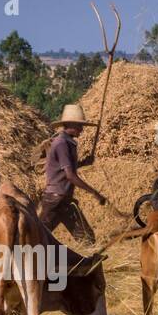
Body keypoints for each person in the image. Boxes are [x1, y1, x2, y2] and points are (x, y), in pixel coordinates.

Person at [39, 103, 107, 245]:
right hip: (55, 200)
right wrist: (94, 193)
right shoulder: (61, 143)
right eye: (78, 126)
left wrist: (83, 163)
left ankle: (83, 266)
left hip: (64, 200)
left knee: (87, 238)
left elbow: (64, 169)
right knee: (38, 238)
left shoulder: (68, 143)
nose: (81, 130)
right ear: (69, 124)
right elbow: (70, 175)